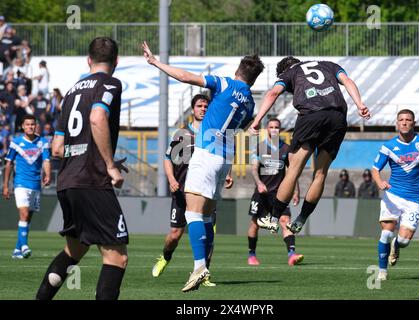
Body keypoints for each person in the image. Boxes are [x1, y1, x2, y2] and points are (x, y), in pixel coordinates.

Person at [142, 41, 264, 292]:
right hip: (225, 159)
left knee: (193, 214)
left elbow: (187, 77)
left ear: (238, 70)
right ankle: (203, 267)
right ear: (253, 79)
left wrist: (156, 62)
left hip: (206, 154)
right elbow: (242, 127)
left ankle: (199, 267)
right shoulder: (250, 101)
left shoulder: (225, 83)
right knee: (207, 217)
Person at [35, 37, 129, 300]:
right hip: (91, 181)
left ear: (89, 60)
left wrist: (95, 156)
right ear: (116, 61)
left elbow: (56, 147)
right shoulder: (111, 83)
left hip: (68, 180)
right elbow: (97, 117)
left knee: (74, 250)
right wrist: (109, 165)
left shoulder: (72, 91)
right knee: (117, 257)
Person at [248, 56, 370, 234]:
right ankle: (301, 219)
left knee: (294, 170)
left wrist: (257, 120)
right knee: (320, 174)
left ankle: (273, 218)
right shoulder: (329, 65)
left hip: (311, 116)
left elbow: (273, 93)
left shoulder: (289, 73)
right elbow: (347, 81)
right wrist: (360, 104)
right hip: (338, 117)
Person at [152, 93, 216, 287]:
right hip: (182, 192)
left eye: (206, 106)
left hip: (205, 191)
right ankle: (165, 256)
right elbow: (167, 158)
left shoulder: (214, 133)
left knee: (207, 232)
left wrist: (227, 174)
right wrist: (171, 179)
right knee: (174, 234)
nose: (203, 109)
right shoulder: (182, 134)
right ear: (193, 109)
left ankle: (203, 273)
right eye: (199, 106)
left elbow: (223, 156)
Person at [371, 109, 419, 281]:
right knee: (386, 233)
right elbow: (374, 170)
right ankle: (382, 271)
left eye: (408, 120)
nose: (404, 122)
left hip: (413, 199)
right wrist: (380, 182)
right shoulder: (388, 147)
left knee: (403, 241)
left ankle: (397, 245)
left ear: (413, 123)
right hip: (392, 195)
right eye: (401, 119)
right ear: (397, 123)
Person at [247, 118, 303, 266]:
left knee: (285, 222)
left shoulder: (287, 149)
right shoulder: (259, 147)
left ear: (280, 129)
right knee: (255, 224)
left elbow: (292, 173)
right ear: (267, 129)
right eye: (271, 127)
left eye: (277, 127)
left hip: (280, 194)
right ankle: (251, 254)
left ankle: (292, 254)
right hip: (262, 193)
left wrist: (296, 191)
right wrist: (259, 183)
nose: (274, 129)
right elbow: (253, 168)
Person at [3, 114, 51, 259]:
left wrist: (48, 174)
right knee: (23, 214)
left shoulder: (43, 142)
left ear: (35, 126)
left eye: (32, 124)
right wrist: (6, 185)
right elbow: (9, 163)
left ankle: (17, 250)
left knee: (27, 219)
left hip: (35, 185)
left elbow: (47, 160)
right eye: (27, 124)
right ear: (23, 126)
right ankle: (24, 247)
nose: (30, 127)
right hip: (20, 183)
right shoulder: (16, 142)